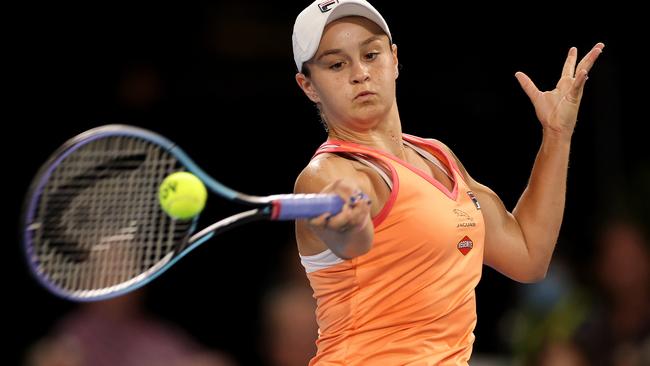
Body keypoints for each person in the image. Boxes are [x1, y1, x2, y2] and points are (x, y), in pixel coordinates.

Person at [290, 0, 604, 364]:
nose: (359, 73)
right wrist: (351, 219)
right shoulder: (328, 174)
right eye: (336, 64)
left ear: (394, 60)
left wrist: (557, 135)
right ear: (308, 86)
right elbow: (352, 236)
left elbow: (528, 256)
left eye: (371, 54)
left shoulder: (438, 157)